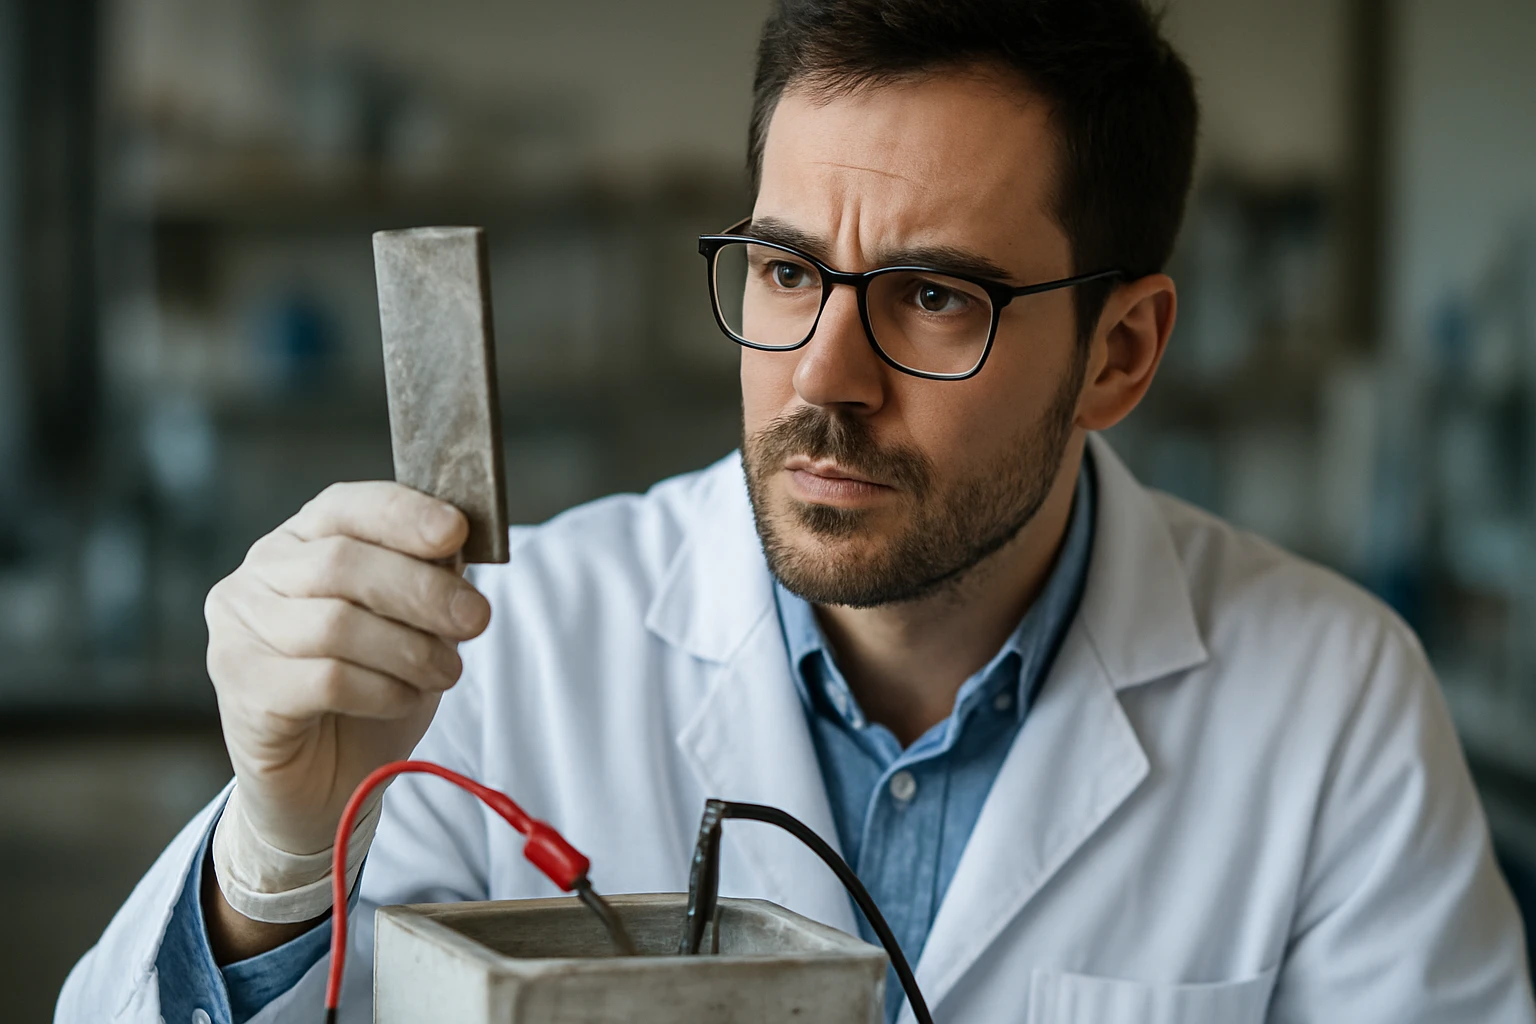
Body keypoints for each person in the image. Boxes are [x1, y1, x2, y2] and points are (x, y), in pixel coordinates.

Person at [58, 1, 1536, 1022]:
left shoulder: (1333, 706)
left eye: (935, 294)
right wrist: (273, 855)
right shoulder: (510, 648)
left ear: (1121, 353)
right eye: (783, 274)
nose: (821, 379)